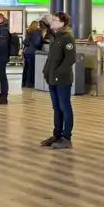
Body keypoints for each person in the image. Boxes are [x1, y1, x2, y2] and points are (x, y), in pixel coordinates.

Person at [40, 13, 76, 149]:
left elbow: (70, 59)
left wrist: (58, 72)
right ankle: (57, 134)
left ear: (62, 23)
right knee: (56, 107)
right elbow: (43, 23)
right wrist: (47, 71)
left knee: (64, 106)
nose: (52, 22)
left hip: (62, 79)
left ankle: (66, 137)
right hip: (52, 77)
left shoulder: (67, 38)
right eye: (53, 20)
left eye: (56, 20)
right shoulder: (54, 37)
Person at [22, 20, 43, 89]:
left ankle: (24, 83)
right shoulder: (37, 32)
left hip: (26, 51)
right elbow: (37, 43)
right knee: (31, 68)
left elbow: (25, 42)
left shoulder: (29, 31)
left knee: (26, 68)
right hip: (33, 52)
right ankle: (30, 83)